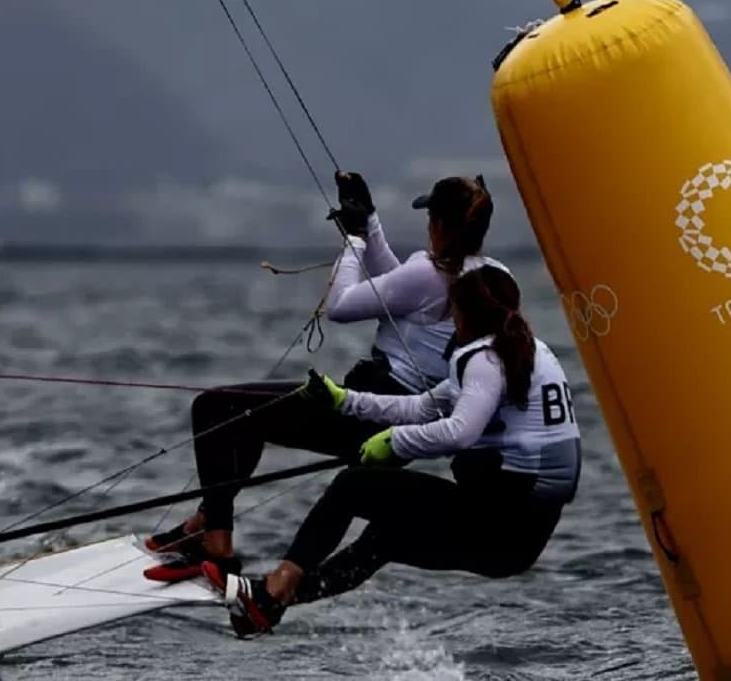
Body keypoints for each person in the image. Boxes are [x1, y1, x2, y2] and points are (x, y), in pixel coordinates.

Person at [142, 170, 512, 582]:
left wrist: (354, 242)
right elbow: (396, 290)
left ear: (439, 224)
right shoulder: (493, 276)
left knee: (216, 407)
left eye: (430, 219)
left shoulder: (429, 273)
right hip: (400, 417)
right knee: (243, 418)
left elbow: (343, 306)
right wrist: (369, 222)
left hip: (372, 409)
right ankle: (205, 525)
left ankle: (216, 547)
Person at [202, 264, 582, 637]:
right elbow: (422, 407)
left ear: (464, 315)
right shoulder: (529, 351)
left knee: (353, 486)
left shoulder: (483, 359)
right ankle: (271, 604)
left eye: (453, 313)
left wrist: (394, 442)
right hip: (519, 543)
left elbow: (461, 432)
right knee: (385, 538)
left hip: (498, 520)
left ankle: (273, 589)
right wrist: (344, 400)